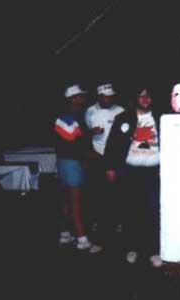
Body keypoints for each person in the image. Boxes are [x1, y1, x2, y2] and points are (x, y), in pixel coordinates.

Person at [104, 87, 162, 268]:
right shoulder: (123, 118)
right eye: (141, 95)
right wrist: (110, 167)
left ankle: (154, 250)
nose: (145, 98)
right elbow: (112, 143)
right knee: (131, 210)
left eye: (148, 95)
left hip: (154, 172)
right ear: (135, 98)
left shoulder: (161, 117)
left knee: (153, 211)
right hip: (130, 171)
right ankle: (132, 248)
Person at [54, 84, 102, 253]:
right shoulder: (66, 117)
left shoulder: (74, 115)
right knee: (75, 203)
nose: (83, 98)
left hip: (69, 162)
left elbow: (76, 138)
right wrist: (89, 154)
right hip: (70, 162)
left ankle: (65, 233)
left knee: (67, 200)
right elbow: (72, 141)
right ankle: (82, 239)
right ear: (73, 98)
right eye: (80, 96)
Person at [84, 83, 125, 233]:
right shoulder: (90, 111)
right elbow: (84, 134)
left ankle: (118, 221)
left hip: (116, 155)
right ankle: (98, 222)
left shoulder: (120, 110)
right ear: (100, 97)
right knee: (98, 191)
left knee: (117, 190)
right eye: (107, 97)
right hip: (98, 155)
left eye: (111, 97)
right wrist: (92, 133)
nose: (110, 99)